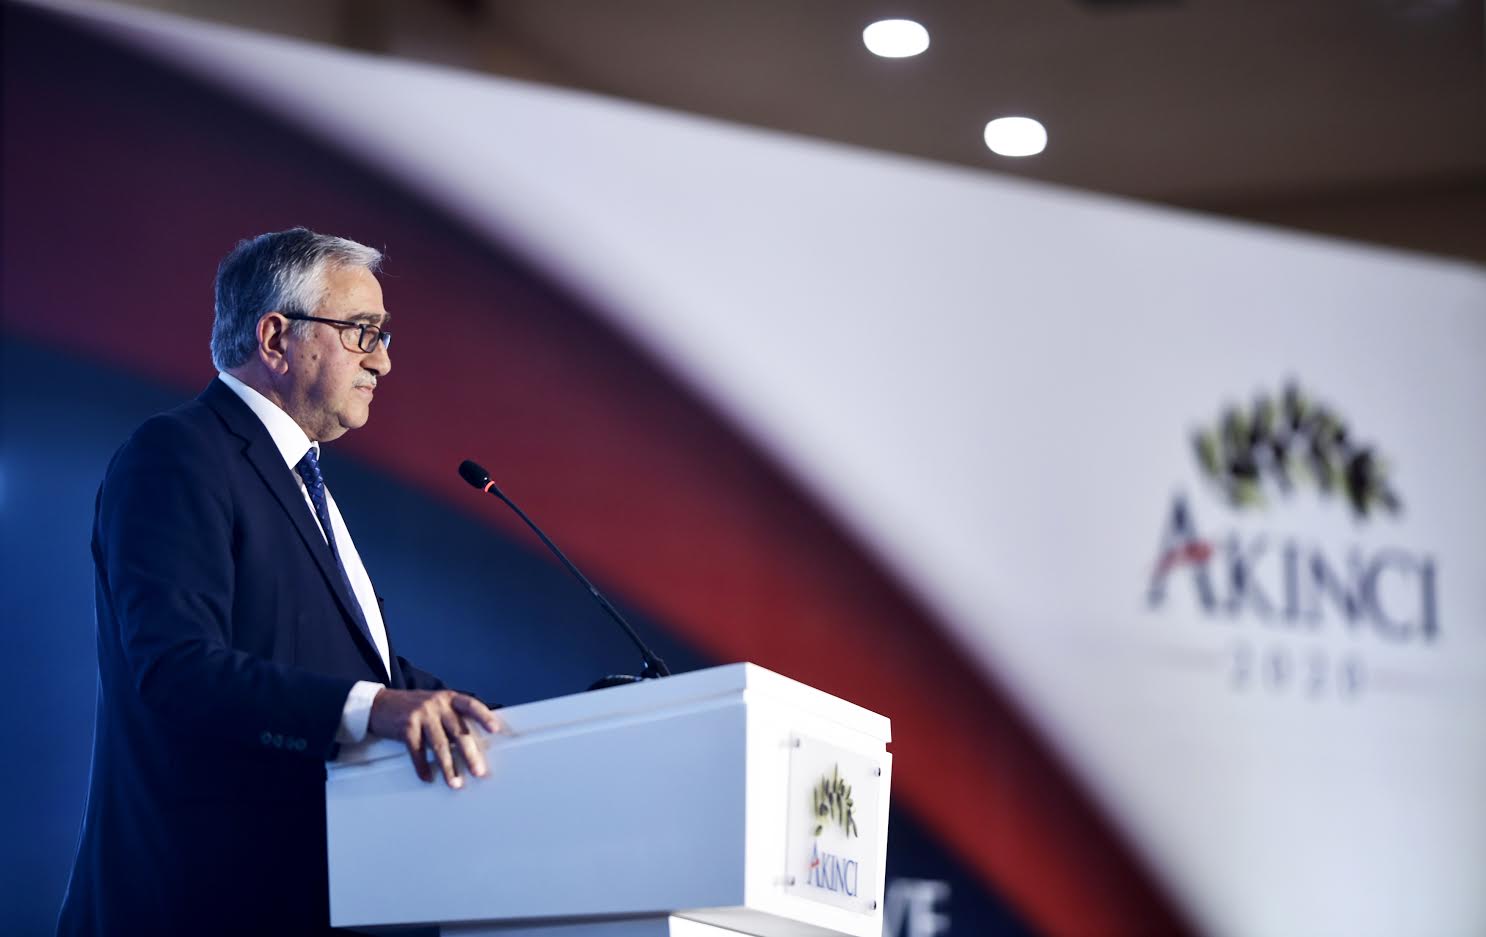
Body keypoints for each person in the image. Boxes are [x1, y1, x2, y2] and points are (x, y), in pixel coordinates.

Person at [57, 228, 500, 935]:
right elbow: (176, 668)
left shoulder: (302, 481)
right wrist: (374, 707)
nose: (383, 360)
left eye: (383, 336)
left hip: (315, 897)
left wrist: (518, 722)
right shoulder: (177, 453)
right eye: (362, 332)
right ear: (275, 337)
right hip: (195, 905)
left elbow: (364, 671)